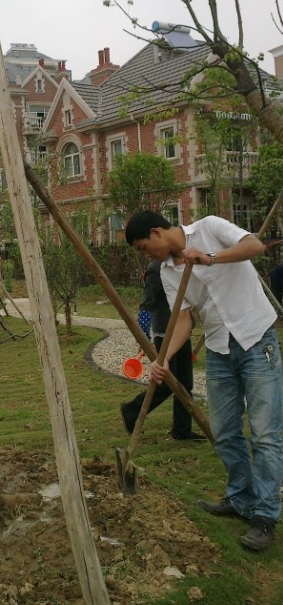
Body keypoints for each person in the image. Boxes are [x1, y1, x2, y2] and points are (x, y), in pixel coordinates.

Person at [125, 210, 282, 552]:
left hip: (256, 340)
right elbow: (183, 321)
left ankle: (265, 515)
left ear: (157, 232)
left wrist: (209, 257)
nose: (145, 254)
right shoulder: (167, 272)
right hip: (218, 349)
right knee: (225, 433)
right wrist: (162, 359)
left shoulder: (210, 228)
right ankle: (240, 499)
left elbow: (255, 246)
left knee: (265, 435)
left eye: (143, 247)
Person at [120, 260, 205, 441]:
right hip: (164, 335)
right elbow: (147, 304)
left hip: (182, 332)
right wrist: (144, 337)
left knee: (185, 384)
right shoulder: (155, 269)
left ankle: (182, 430)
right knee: (166, 384)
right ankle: (131, 410)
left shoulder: (180, 264)